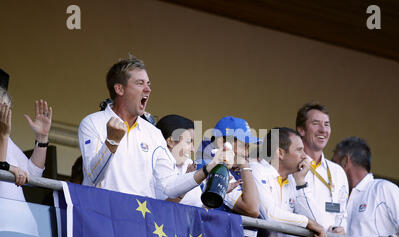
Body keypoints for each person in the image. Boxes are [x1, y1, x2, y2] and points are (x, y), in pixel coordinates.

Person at [78, 56, 232, 198]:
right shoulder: (92, 123)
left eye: (148, 84)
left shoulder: (153, 133)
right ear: (119, 89)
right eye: (139, 83)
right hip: (102, 216)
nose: (148, 89)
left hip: (139, 220)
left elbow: (169, 187)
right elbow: (93, 176)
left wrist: (208, 168)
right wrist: (111, 142)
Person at [249, 127, 327, 237]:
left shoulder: (293, 179)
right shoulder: (256, 170)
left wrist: (301, 182)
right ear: (280, 153)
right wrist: (307, 222)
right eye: (299, 150)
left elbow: (318, 223)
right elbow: (271, 215)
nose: (305, 156)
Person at [295, 103, 348, 237]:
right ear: (301, 130)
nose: (323, 130)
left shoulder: (337, 171)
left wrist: (340, 229)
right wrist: (325, 229)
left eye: (327, 124)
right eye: (315, 123)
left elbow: (343, 212)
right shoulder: (291, 163)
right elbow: (295, 207)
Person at [0, 87, 52, 201]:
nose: (3, 115)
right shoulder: (4, 137)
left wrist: (42, 138)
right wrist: (3, 136)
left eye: (6, 110)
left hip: (16, 215)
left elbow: (32, 174)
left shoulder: (8, 141)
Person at [155, 114, 202, 206]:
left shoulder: (188, 164)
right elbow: (162, 209)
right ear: (171, 141)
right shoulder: (156, 164)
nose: (192, 149)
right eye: (189, 141)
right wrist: (187, 183)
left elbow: (199, 208)